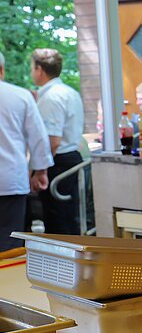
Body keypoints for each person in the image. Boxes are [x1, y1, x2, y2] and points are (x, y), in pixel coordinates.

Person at [0, 51, 53, 250]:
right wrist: (41, 171)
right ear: (2, 70)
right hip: (10, 181)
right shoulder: (21, 96)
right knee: (10, 244)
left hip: (11, 181)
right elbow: (38, 137)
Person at [30, 48, 85, 235]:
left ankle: (64, 263)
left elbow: (52, 141)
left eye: (32, 67)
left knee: (58, 222)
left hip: (58, 163)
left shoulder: (52, 97)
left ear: (39, 70)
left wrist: (38, 170)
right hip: (69, 158)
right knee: (69, 219)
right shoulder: (69, 92)